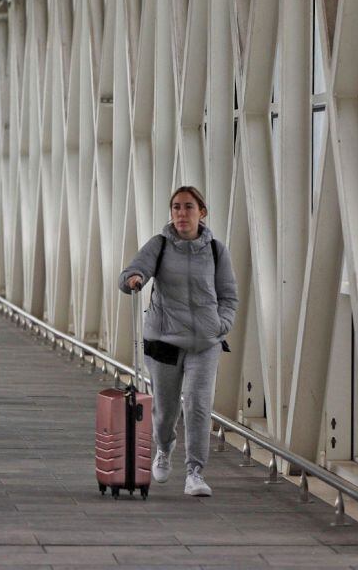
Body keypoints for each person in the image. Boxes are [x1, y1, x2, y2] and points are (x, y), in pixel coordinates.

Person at [119, 186, 238, 497]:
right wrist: (135, 279)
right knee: (165, 409)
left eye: (188, 207)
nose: (181, 213)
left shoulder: (216, 251)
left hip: (204, 343)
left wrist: (220, 326)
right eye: (176, 208)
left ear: (202, 212)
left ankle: (195, 472)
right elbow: (129, 272)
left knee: (199, 405)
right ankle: (164, 447)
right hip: (165, 342)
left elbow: (229, 296)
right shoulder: (159, 246)